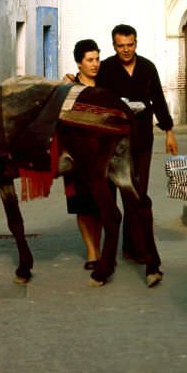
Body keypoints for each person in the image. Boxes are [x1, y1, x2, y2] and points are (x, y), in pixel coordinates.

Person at [97, 24, 178, 272]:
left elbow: (158, 100)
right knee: (120, 192)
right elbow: (97, 98)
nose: (125, 50)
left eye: (129, 45)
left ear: (136, 43)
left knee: (138, 193)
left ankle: (135, 247)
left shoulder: (147, 67)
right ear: (114, 46)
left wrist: (169, 131)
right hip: (115, 142)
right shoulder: (107, 69)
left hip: (142, 138)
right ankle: (126, 248)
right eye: (120, 46)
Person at [65, 39, 103, 269]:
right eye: (90, 60)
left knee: (100, 206)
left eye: (97, 59)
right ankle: (91, 252)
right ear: (79, 63)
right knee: (82, 207)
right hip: (76, 158)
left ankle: (98, 248)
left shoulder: (105, 85)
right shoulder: (69, 89)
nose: (95, 64)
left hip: (103, 158)